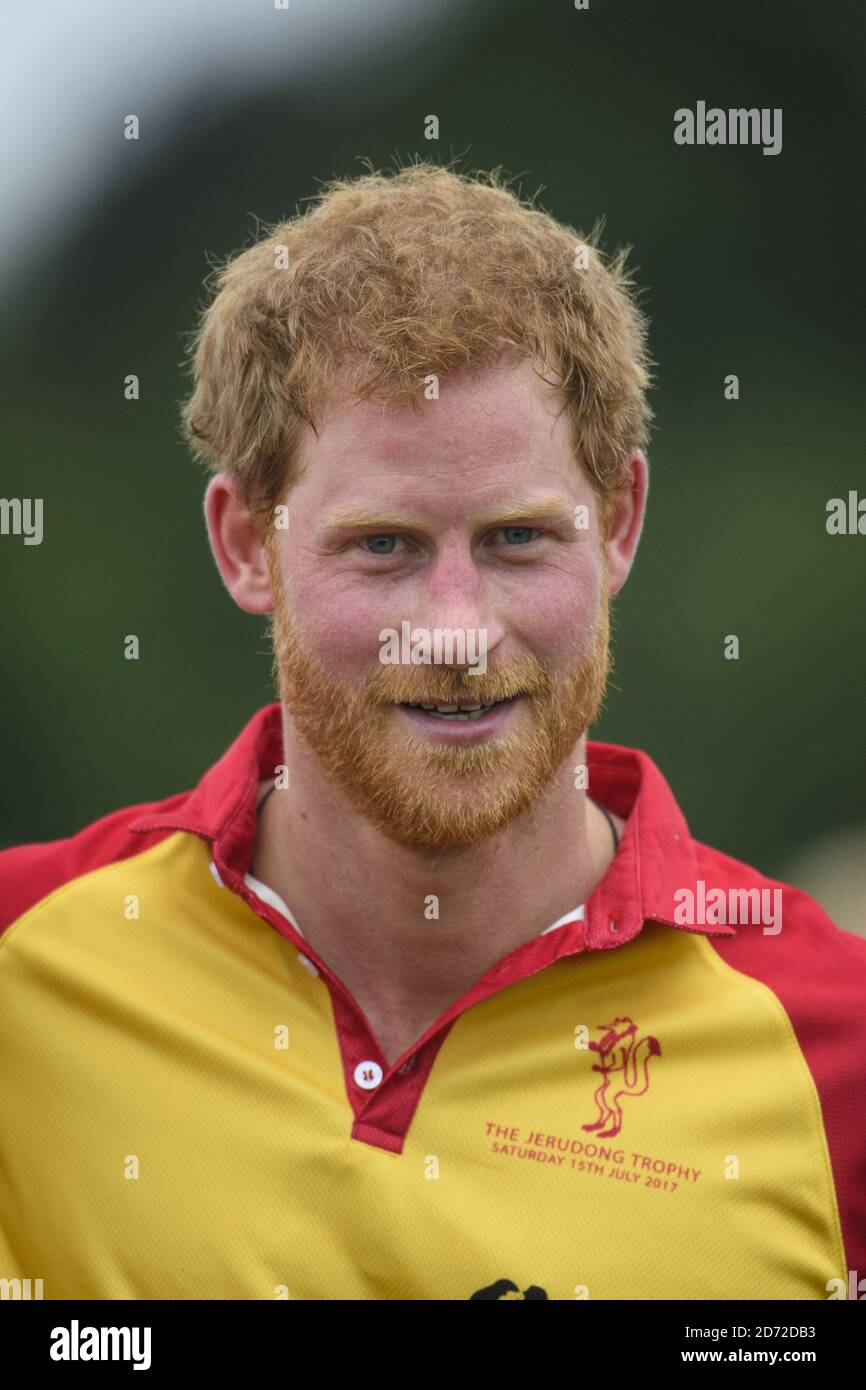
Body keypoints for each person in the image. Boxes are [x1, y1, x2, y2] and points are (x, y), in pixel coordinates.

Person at [1, 163, 863, 1302]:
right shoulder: (26, 966)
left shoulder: (834, 1047)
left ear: (618, 525)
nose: (455, 633)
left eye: (515, 539)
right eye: (383, 546)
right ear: (246, 545)